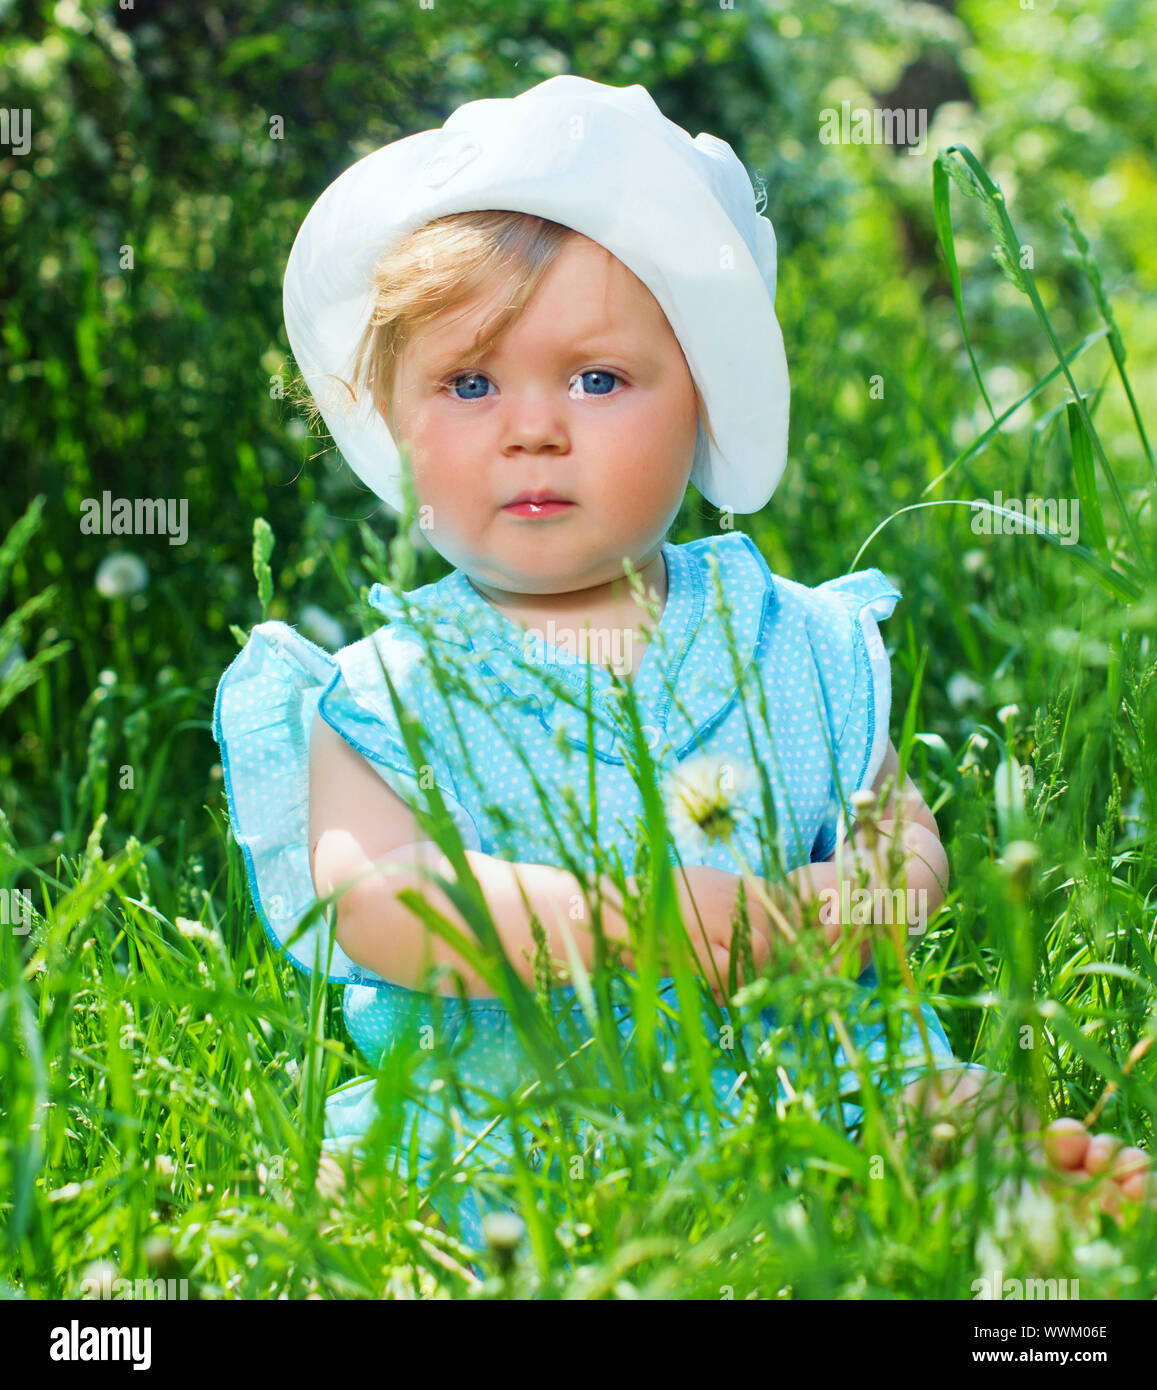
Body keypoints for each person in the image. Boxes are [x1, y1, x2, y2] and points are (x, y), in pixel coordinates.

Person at [212, 76, 1149, 1263]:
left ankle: (1009, 1182)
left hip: (803, 1067)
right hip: (507, 1110)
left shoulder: (791, 639)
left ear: (699, 396)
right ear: (389, 421)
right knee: (363, 1190)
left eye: (596, 379)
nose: (532, 427)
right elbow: (374, 899)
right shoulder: (380, 692)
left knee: (925, 1103)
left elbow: (897, 827)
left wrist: (852, 901)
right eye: (468, 382)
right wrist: (623, 921)